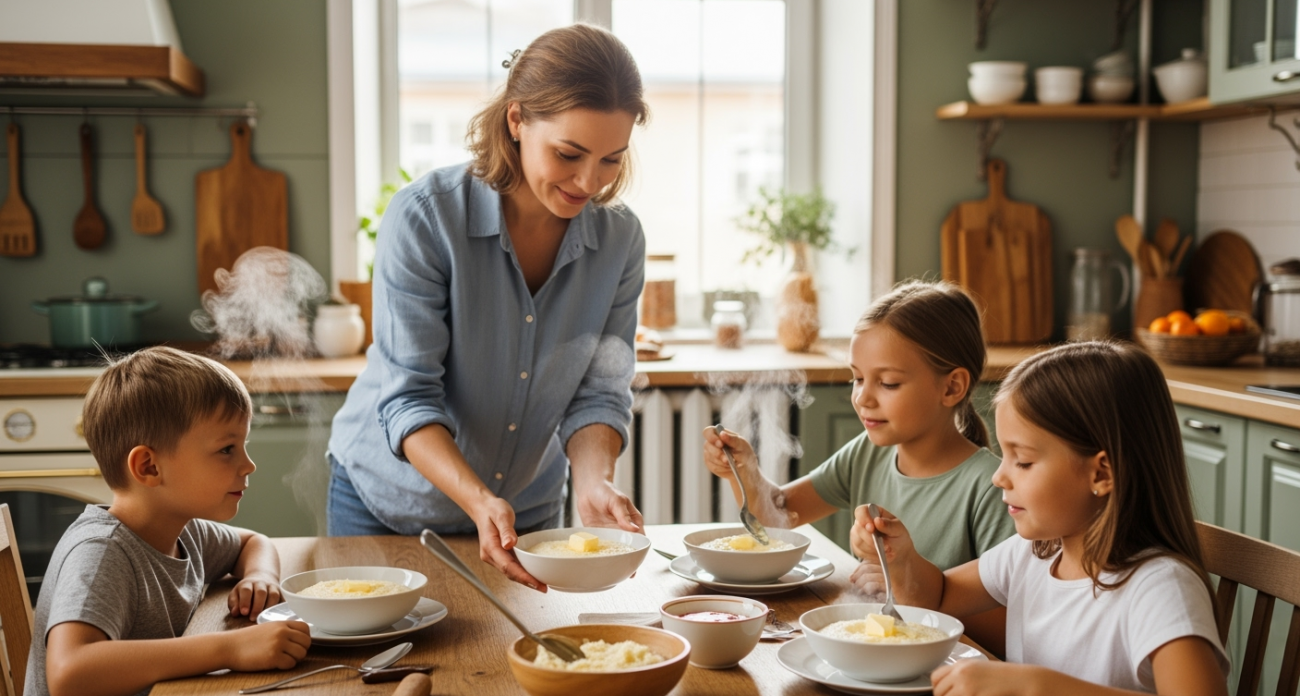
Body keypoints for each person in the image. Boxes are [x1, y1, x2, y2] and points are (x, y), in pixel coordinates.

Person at [327, 23, 650, 592]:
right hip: (387, 508)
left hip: (526, 511)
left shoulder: (620, 240)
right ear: (517, 119)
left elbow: (599, 391)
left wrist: (595, 479)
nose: (588, 182)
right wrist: (478, 499)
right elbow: (409, 396)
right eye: (570, 154)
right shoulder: (426, 218)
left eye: (610, 160)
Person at [854, 341, 1229, 695]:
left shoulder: (1160, 589)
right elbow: (939, 596)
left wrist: (1039, 686)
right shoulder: (1033, 554)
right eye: (1004, 455)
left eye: (1024, 461)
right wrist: (903, 559)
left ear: (1101, 474)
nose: (999, 476)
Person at [704, 280, 1016, 648]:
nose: (863, 397)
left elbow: (1008, 630)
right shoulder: (866, 452)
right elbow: (779, 518)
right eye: (857, 377)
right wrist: (746, 473)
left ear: (951, 388)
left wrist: (909, 585)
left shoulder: (992, 487)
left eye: (888, 383)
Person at [30, 347, 311, 696]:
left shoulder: (183, 530)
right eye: (227, 449)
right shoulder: (103, 554)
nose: (249, 464)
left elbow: (252, 542)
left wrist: (260, 577)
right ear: (149, 467)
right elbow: (69, 673)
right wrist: (230, 648)